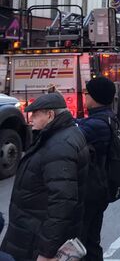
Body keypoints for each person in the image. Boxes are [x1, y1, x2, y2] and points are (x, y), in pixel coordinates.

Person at [1, 93, 89, 261]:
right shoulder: (60, 136)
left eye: (36, 113)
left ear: (50, 115)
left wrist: (46, 251)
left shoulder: (60, 146)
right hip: (30, 232)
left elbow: (62, 202)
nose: (31, 118)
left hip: (33, 238)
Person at [75, 76, 116, 261]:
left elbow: (70, 134)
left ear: (95, 97)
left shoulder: (97, 125)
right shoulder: (106, 118)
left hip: (90, 193)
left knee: (79, 244)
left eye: (87, 93)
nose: (85, 97)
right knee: (90, 242)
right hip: (98, 191)